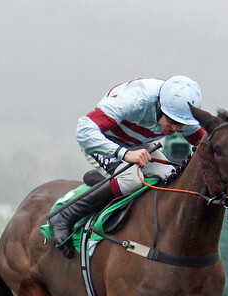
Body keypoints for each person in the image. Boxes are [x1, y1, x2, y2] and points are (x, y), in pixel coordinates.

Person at [48, 76, 206, 257]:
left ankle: (108, 181)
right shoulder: (136, 100)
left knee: (171, 176)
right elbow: (84, 130)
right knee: (131, 181)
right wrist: (125, 154)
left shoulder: (180, 111)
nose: (176, 129)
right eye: (171, 121)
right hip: (105, 140)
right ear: (159, 106)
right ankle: (65, 215)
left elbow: (208, 143)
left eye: (182, 124)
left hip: (137, 145)